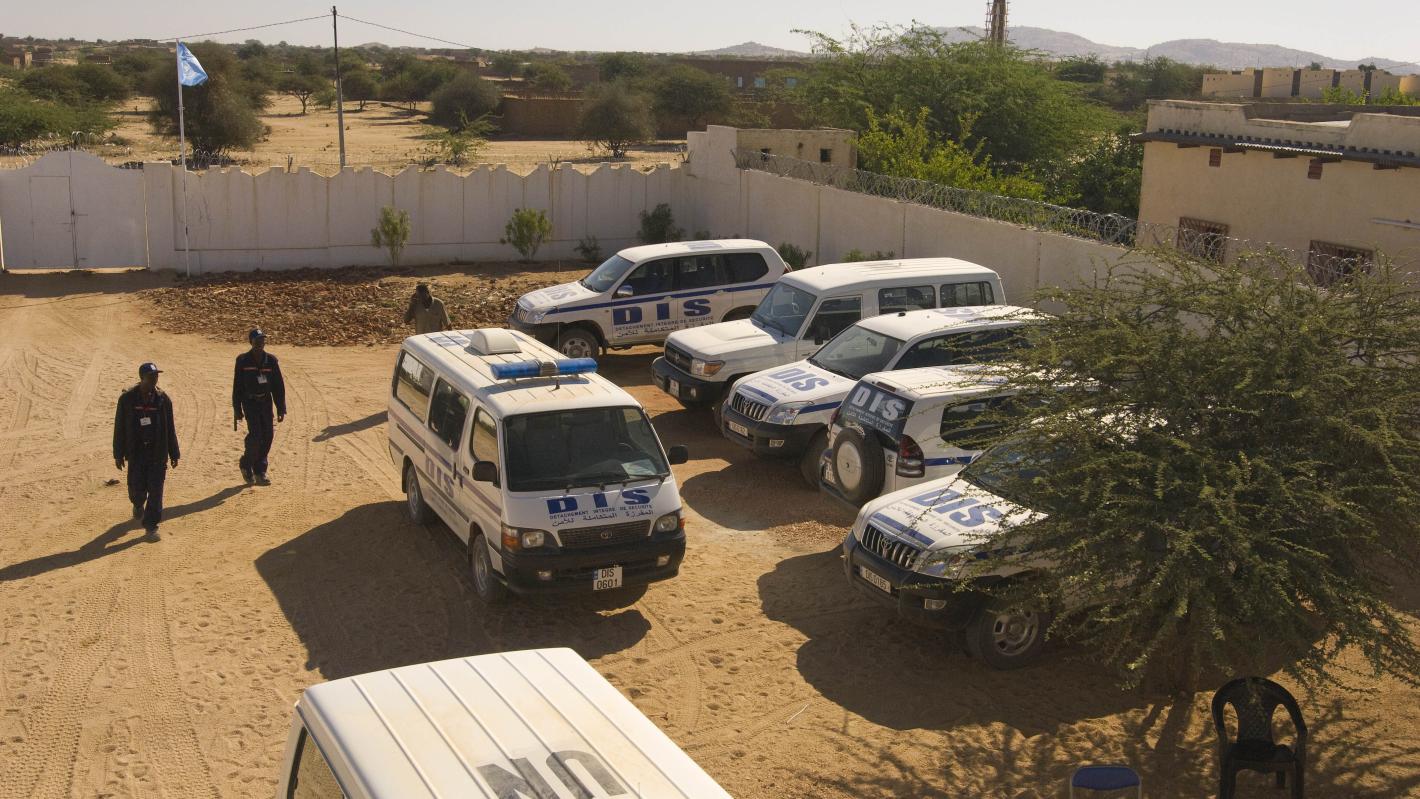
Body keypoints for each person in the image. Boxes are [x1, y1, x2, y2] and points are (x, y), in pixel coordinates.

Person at [113, 362, 179, 540]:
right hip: (136, 452)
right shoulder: (127, 399)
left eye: (156, 376)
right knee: (137, 487)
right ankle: (137, 503)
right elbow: (119, 428)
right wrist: (118, 454)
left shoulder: (163, 399)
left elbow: (170, 428)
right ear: (142, 378)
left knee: (156, 490)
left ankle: (151, 526)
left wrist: (174, 452)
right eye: (151, 377)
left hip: (158, 452)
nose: (155, 380)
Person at [233, 328, 286, 485]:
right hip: (250, 403)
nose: (260, 344)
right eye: (257, 341)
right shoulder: (242, 361)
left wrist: (281, 407)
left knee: (268, 435)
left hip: (265, 402)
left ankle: (260, 470)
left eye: (262, 341)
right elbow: (237, 386)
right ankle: (246, 463)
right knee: (256, 435)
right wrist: (237, 409)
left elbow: (278, 386)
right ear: (251, 342)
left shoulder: (271, 361)